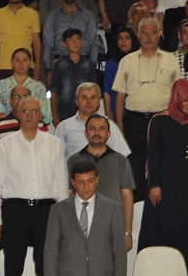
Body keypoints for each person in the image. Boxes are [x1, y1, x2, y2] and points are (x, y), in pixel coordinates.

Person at [0, 96, 68, 276]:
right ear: (18, 114)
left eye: (34, 111)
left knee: (47, 270)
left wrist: (63, 220)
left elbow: (61, 184)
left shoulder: (54, 144)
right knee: (12, 271)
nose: (30, 115)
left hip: (47, 211)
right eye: (25, 111)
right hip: (15, 212)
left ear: (41, 115)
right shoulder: (5, 145)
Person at [112, 18, 181, 202]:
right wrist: (120, 127)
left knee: (163, 167)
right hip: (134, 123)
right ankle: (135, 212)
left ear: (159, 35)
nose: (148, 37)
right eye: (144, 33)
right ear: (138, 35)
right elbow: (119, 96)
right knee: (135, 169)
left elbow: (177, 94)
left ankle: (161, 210)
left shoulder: (171, 60)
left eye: (152, 33)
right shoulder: (127, 61)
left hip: (163, 121)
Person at [139, 79, 188, 266]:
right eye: (185, 99)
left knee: (184, 231)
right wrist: (155, 184)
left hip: (186, 185)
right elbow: (153, 154)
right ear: (176, 98)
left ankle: (182, 274)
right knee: (162, 230)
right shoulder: (159, 121)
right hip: (163, 184)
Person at [67, 115, 135, 252]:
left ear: (109, 134)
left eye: (101, 129)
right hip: (81, 227)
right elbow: (68, 195)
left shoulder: (120, 160)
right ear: (85, 133)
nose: (97, 133)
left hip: (112, 226)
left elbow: (127, 197)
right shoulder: (73, 160)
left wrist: (127, 232)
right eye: (92, 129)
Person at [43, 0, 99, 79]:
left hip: (83, 62)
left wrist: (91, 67)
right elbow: (48, 44)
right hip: (59, 62)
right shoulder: (53, 16)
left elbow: (93, 43)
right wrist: (48, 69)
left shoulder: (87, 15)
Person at [54, 82, 129, 159]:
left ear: (99, 102)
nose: (88, 101)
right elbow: (55, 157)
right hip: (74, 166)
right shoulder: (64, 126)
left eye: (93, 98)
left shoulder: (110, 125)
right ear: (76, 102)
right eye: (84, 97)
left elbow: (121, 157)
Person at [0, 0, 42, 84]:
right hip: (2, 65)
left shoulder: (33, 14)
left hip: (26, 66)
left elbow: (36, 42)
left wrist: (38, 65)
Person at [49, 28, 97, 126]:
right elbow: (54, 90)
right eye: (71, 40)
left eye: (78, 39)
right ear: (64, 44)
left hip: (85, 114)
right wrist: (54, 113)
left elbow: (94, 91)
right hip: (64, 113)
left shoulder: (89, 65)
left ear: (82, 42)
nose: (75, 42)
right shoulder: (59, 65)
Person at [0, 47, 50, 122]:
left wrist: (27, 124)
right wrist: (12, 124)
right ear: (12, 63)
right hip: (6, 125)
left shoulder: (39, 87)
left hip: (32, 125)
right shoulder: (0, 85)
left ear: (30, 63)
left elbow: (41, 113)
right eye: (17, 60)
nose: (21, 64)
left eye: (25, 60)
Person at [101, 27, 137, 120]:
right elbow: (107, 89)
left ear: (132, 41)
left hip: (136, 108)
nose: (123, 41)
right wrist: (107, 111)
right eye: (120, 38)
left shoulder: (139, 60)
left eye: (127, 38)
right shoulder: (112, 63)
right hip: (115, 106)